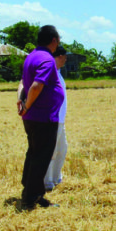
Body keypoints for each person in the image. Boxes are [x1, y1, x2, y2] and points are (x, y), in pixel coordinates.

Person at [17, 25, 65, 211]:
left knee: (34, 153)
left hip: (32, 117)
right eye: (58, 39)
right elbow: (36, 86)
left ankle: (32, 192)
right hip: (43, 117)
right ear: (53, 40)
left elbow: (23, 83)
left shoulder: (31, 56)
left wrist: (21, 103)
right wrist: (27, 105)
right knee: (41, 157)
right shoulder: (47, 59)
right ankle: (29, 199)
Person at [44, 45, 68, 191]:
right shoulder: (49, 72)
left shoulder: (58, 73)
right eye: (64, 57)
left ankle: (56, 177)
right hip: (52, 119)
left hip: (60, 119)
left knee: (62, 149)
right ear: (58, 57)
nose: (65, 60)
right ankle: (47, 182)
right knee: (50, 152)